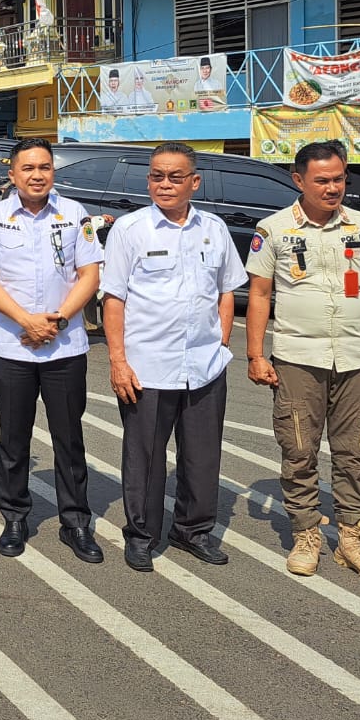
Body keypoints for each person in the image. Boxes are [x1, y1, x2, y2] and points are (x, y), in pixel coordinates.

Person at [245, 140, 360, 585]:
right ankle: (306, 533)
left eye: (339, 179)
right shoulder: (273, 230)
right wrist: (256, 355)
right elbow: (258, 295)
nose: (333, 188)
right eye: (322, 180)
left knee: (354, 453)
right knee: (298, 451)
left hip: (356, 358)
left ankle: (353, 538)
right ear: (299, 181)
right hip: (298, 357)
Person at [101, 142, 246, 572]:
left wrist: (221, 342)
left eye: (175, 177)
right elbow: (114, 300)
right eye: (157, 176)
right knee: (144, 457)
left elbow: (226, 290)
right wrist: (118, 360)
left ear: (194, 182)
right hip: (147, 366)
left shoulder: (214, 228)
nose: (164, 184)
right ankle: (141, 534)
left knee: (202, 456)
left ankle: (193, 530)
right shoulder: (130, 229)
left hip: (204, 366)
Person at [0, 138, 103, 563]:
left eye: (44, 167)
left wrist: (58, 320)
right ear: (12, 174)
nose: (36, 175)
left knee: (69, 438)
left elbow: (89, 275)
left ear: (53, 172)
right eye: (27, 168)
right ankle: (14, 517)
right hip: (12, 346)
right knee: (13, 438)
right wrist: (28, 322)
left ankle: (76, 521)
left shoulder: (74, 214)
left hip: (65, 347)